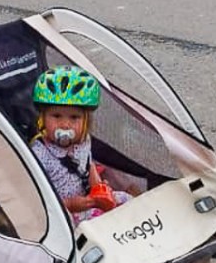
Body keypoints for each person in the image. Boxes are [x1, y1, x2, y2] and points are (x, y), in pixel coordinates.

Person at [28, 66, 145, 226]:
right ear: (42, 118)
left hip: (86, 199)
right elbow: (35, 197)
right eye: (56, 116)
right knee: (104, 224)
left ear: (85, 122)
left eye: (74, 117)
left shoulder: (84, 141)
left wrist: (98, 187)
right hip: (63, 212)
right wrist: (67, 205)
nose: (64, 124)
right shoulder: (39, 153)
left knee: (128, 200)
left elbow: (87, 165)